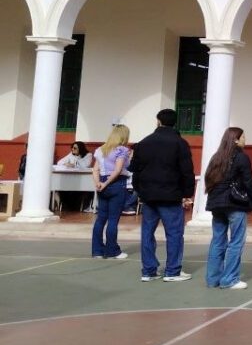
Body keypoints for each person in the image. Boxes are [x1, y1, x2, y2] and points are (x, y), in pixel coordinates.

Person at [129, 108, 196, 283]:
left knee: (147, 233)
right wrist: (188, 194)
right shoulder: (180, 143)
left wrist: (139, 190)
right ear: (175, 123)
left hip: (149, 196)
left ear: (158, 121)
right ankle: (172, 271)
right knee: (174, 234)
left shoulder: (144, 143)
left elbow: (136, 170)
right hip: (171, 195)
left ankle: (148, 271)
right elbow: (187, 171)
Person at [204, 127, 252, 290]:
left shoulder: (216, 157)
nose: (245, 139)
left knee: (217, 240)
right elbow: (249, 182)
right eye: (243, 137)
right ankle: (229, 279)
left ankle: (213, 279)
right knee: (236, 242)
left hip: (216, 204)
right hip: (234, 203)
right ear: (236, 140)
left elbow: (209, 179)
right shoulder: (241, 157)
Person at [90, 125, 131, 259]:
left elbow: (95, 169)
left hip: (101, 182)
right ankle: (112, 250)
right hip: (116, 183)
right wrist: (107, 183)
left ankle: (97, 251)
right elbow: (118, 170)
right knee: (113, 219)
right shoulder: (122, 150)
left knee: (101, 218)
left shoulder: (101, 149)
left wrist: (98, 183)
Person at [57, 141, 93, 212]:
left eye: (75, 148)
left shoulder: (88, 155)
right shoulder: (71, 154)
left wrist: (74, 164)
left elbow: (85, 165)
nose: (72, 149)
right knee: (63, 190)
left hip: (83, 179)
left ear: (80, 148)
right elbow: (59, 162)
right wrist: (66, 164)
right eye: (72, 148)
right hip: (71, 179)